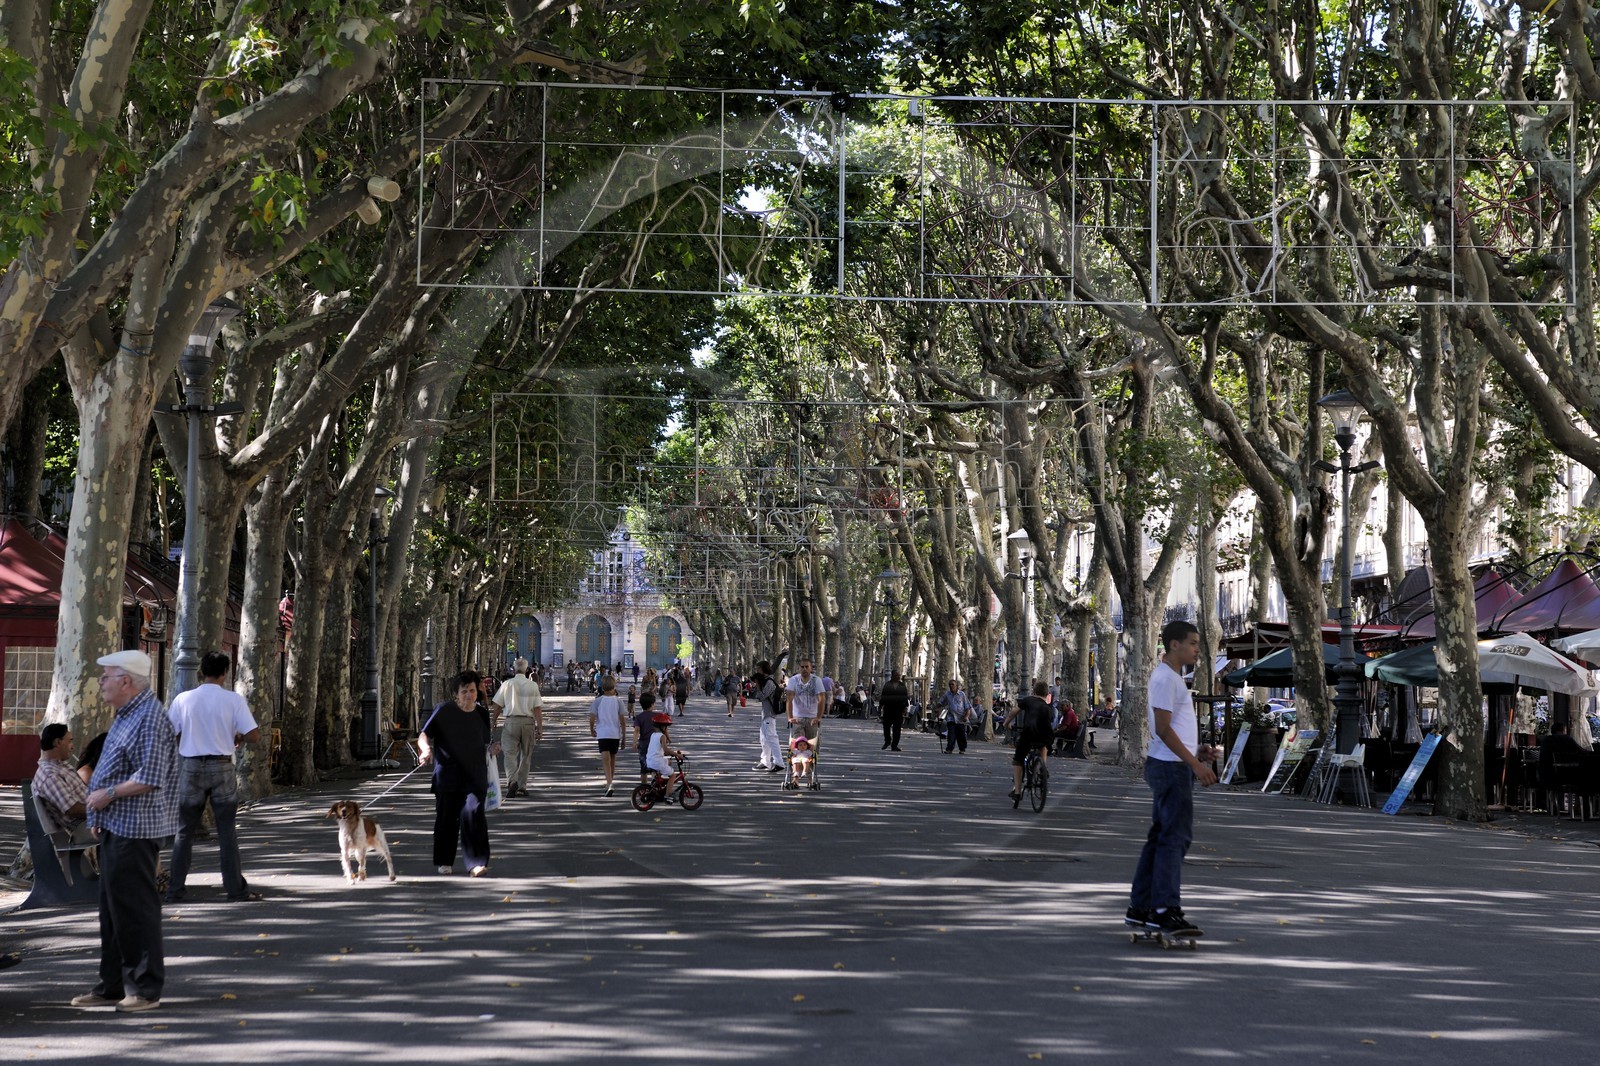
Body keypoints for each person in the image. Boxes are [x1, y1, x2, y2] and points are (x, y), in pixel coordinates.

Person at [72, 650, 179, 1013]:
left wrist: (107, 795)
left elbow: (151, 776)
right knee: (112, 910)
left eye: (107, 676)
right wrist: (100, 808)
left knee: (135, 910)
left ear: (127, 681)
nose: (101, 682)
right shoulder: (129, 714)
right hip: (118, 824)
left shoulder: (149, 718)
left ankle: (145, 989)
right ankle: (113, 985)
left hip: (136, 827)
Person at [1127, 620, 1216, 939]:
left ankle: (1142, 906)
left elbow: (1171, 728)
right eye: (1192, 643)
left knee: (1161, 837)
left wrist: (1197, 750)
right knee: (1173, 838)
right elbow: (1162, 728)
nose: (1196, 649)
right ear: (1174, 644)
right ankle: (1164, 909)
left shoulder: (1174, 679)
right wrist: (1194, 764)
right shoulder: (1166, 678)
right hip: (1171, 768)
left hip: (1171, 764)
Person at [164, 651, 262, 903]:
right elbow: (254, 735)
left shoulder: (183, 699)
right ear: (225, 673)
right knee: (226, 832)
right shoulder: (233, 700)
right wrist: (237, 736)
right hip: (222, 768)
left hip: (191, 767)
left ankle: (175, 889)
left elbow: (170, 734)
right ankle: (235, 889)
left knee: (184, 832)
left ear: (201, 672)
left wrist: (186, 741)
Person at [419, 670, 497, 877]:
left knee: (473, 814)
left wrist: (492, 749)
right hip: (448, 775)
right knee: (447, 818)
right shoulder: (444, 711)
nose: (469, 695)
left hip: (475, 775)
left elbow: (484, 743)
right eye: (464, 692)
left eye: (472, 691)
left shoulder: (481, 713)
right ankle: (445, 860)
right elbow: (424, 734)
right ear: (455, 694)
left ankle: (477, 863)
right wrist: (426, 750)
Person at [33, 723, 94, 845]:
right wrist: (103, 810)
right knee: (132, 826)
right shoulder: (50, 775)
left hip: (91, 821)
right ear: (58, 742)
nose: (72, 747)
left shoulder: (59, 766)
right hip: (84, 827)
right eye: (69, 741)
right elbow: (72, 809)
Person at [492, 658, 544, 798]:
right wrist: (540, 727)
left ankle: (511, 780)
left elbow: (497, 705)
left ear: (514, 669)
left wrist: (494, 721)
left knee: (509, 754)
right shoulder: (532, 685)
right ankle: (522, 786)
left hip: (511, 722)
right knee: (526, 755)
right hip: (528, 722)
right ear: (527, 669)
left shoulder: (507, 684)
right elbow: (537, 708)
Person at [1006, 680, 1054, 802]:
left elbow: (1014, 712)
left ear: (1034, 691)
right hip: (1045, 735)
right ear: (1047, 694)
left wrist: (1006, 723)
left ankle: (1017, 792)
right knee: (1044, 745)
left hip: (1029, 733)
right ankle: (1041, 767)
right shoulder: (1048, 707)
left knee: (1018, 759)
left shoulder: (1028, 700)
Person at [589, 676, 628, 796]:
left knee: (605, 759)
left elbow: (592, 717)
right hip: (614, 733)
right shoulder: (618, 701)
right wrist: (624, 737)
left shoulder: (598, 701)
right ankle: (611, 781)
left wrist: (592, 729)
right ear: (614, 686)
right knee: (612, 759)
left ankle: (609, 782)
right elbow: (622, 721)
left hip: (603, 733)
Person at [785, 656, 825, 750]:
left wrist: (818, 717)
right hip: (797, 718)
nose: (804, 669)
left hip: (812, 718)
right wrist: (790, 717)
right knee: (796, 748)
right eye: (802, 667)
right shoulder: (793, 680)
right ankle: (795, 764)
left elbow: (821, 699)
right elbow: (789, 699)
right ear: (799, 668)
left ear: (811, 668)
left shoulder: (816, 680)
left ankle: (811, 765)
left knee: (812, 748)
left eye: (807, 667)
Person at [750, 661, 783, 772]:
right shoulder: (766, 681)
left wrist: (758, 686)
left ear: (763, 669)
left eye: (758, 668)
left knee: (772, 737)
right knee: (764, 738)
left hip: (770, 714)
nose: (757, 671)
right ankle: (765, 761)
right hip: (765, 713)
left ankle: (779, 762)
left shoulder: (769, 682)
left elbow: (761, 696)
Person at [644, 711, 683, 784]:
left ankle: (659, 782)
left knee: (669, 761)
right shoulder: (662, 736)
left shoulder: (653, 735)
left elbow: (658, 749)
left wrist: (667, 754)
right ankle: (667, 794)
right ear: (662, 727)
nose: (667, 729)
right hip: (657, 762)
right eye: (666, 727)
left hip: (650, 761)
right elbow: (666, 749)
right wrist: (677, 755)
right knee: (673, 775)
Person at [940, 678, 973, 753]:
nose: (951, 686)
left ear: (956, 686)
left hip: (960, 718)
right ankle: (949, 749)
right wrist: (938, 707)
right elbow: (941, 701)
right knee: (951, 734)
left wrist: (966, 716)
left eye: (953, 684)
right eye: (950, 685)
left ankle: (962, 749)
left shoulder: (962, 694)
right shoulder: (947, 694)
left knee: (961, 734)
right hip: (951, 717)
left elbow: (967, 707)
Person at [633, 691, 660, 783]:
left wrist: (634, 743)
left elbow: (637, 730)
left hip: (643, 744)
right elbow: (663, 729)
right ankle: (655, 786)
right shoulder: (657, 716)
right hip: (655, 744)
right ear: (652, 704)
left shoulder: (639, 717)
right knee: (655, 767)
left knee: (644, 768)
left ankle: (644, 788)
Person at [879, 670, 910, 751]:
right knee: (886, 727)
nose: (898, 677)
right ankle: (887, 741)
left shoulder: (902, 686)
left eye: (899, 675)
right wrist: (880, 706)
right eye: (896, 675)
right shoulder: (887, 685)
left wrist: (905, 708)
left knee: (897, 729)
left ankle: (894, 745)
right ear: (892, 676)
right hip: (888, 709)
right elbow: (883, 696)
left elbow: (905, 697)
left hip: (898, 710)